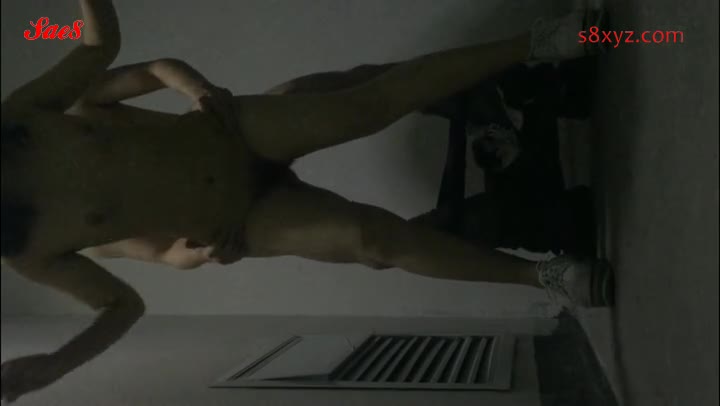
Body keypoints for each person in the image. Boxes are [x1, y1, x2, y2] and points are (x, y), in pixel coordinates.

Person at [0, 0, 612, 401]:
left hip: (232, 133)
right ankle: (543, 277)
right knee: (372, 243)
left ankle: (536, 42)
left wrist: (199, 90)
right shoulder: (27, 250)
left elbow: (99, 45)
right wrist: (56, 364)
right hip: (243, 221)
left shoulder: (22, 115)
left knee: (361, 105)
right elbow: (129, 297)